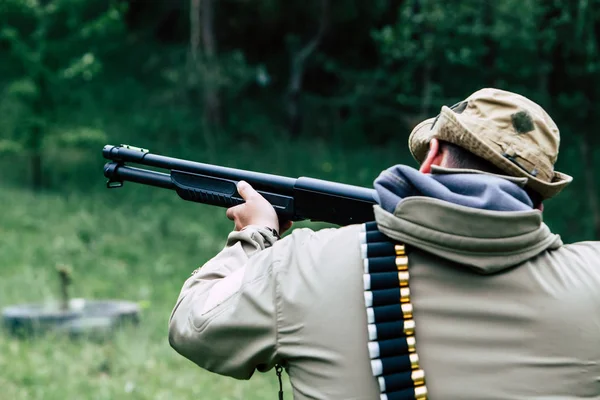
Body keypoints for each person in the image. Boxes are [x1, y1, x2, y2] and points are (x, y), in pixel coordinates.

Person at [168, 88, 600, 399]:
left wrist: (256, 235)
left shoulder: (304, 263)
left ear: (431, 158)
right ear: (539, 203)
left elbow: (193, 323)